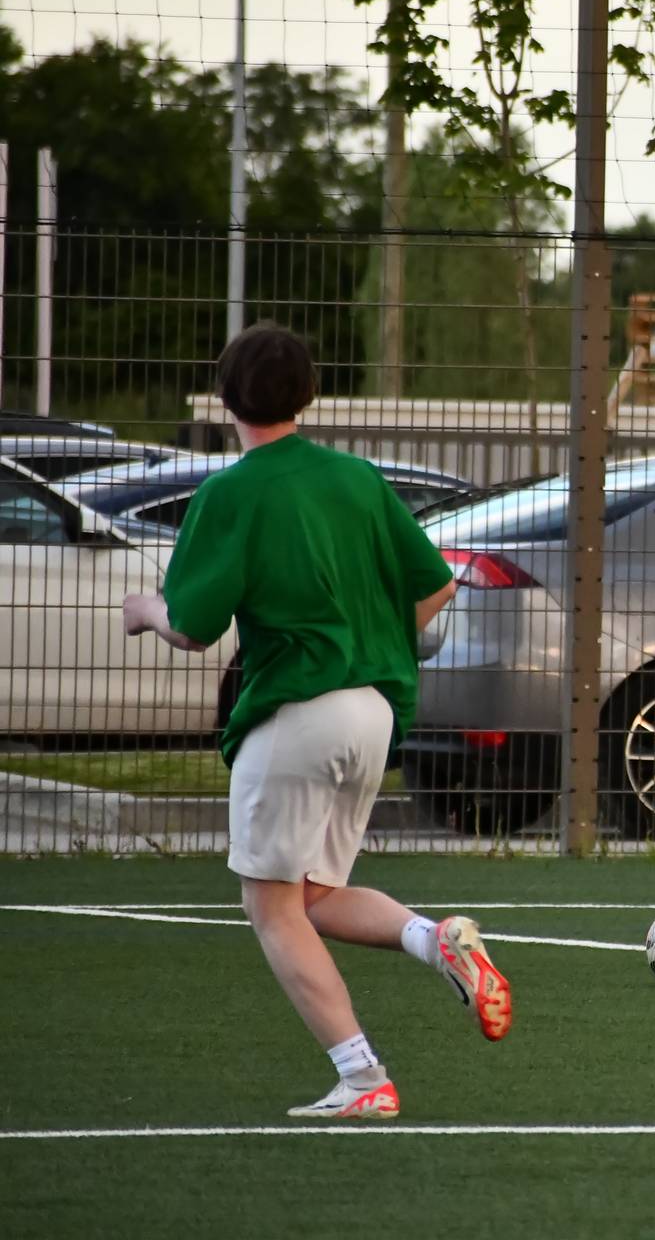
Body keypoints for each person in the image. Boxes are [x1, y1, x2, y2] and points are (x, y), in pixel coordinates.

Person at [122, 322, 511, 1119]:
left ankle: (363, 1078)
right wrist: (376, 639)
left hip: (295, 713)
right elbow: (437, 585)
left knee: (271, 909)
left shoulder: (230, 492)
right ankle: (435, 940)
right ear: (309, 394)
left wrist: (143, 610)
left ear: (226, 399)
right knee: (315, 894)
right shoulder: (358, 479)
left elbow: (192, 628)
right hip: (371, 712)